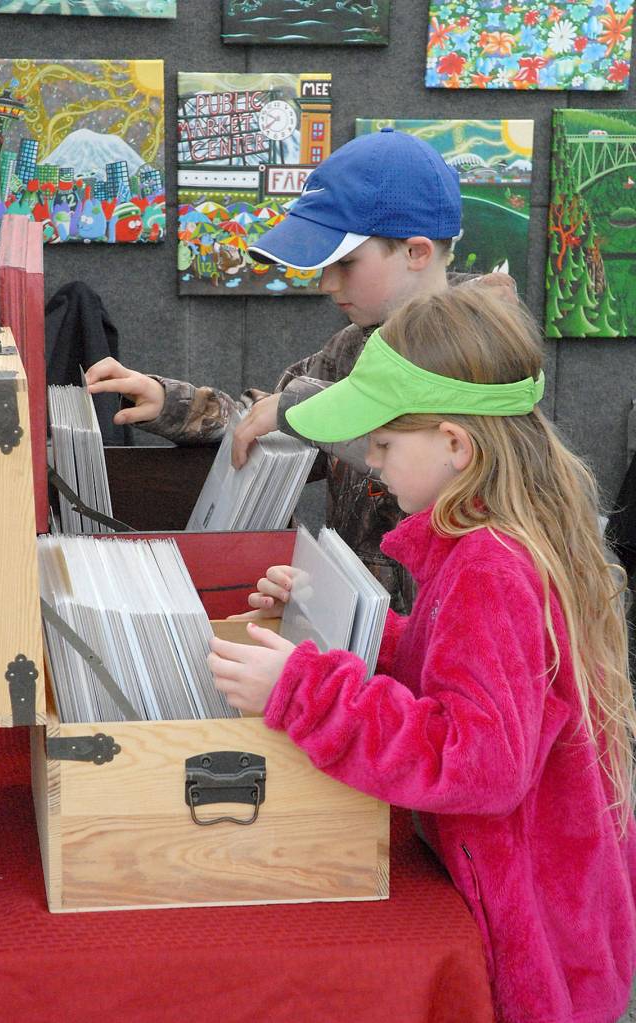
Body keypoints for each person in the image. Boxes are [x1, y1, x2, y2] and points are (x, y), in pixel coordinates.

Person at [207, 287, 636, 1023]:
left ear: (455, 445)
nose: (372, 467)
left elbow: (480, 761)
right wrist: (351, 628)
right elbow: (469, 668)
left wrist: (304, 689)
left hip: (519, 945)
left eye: (382, 445)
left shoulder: (488, 568)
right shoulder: (497, 543)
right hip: (536, 906)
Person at [86, 128, 512, 612]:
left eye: (346, 262)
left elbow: (444, 458)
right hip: (367, 620)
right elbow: (265, 417)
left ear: (416, 252)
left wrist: (297, 409)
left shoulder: (484, 352)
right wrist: (172, 403)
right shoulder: (354, 344)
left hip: (452, 618)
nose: (327, 282)